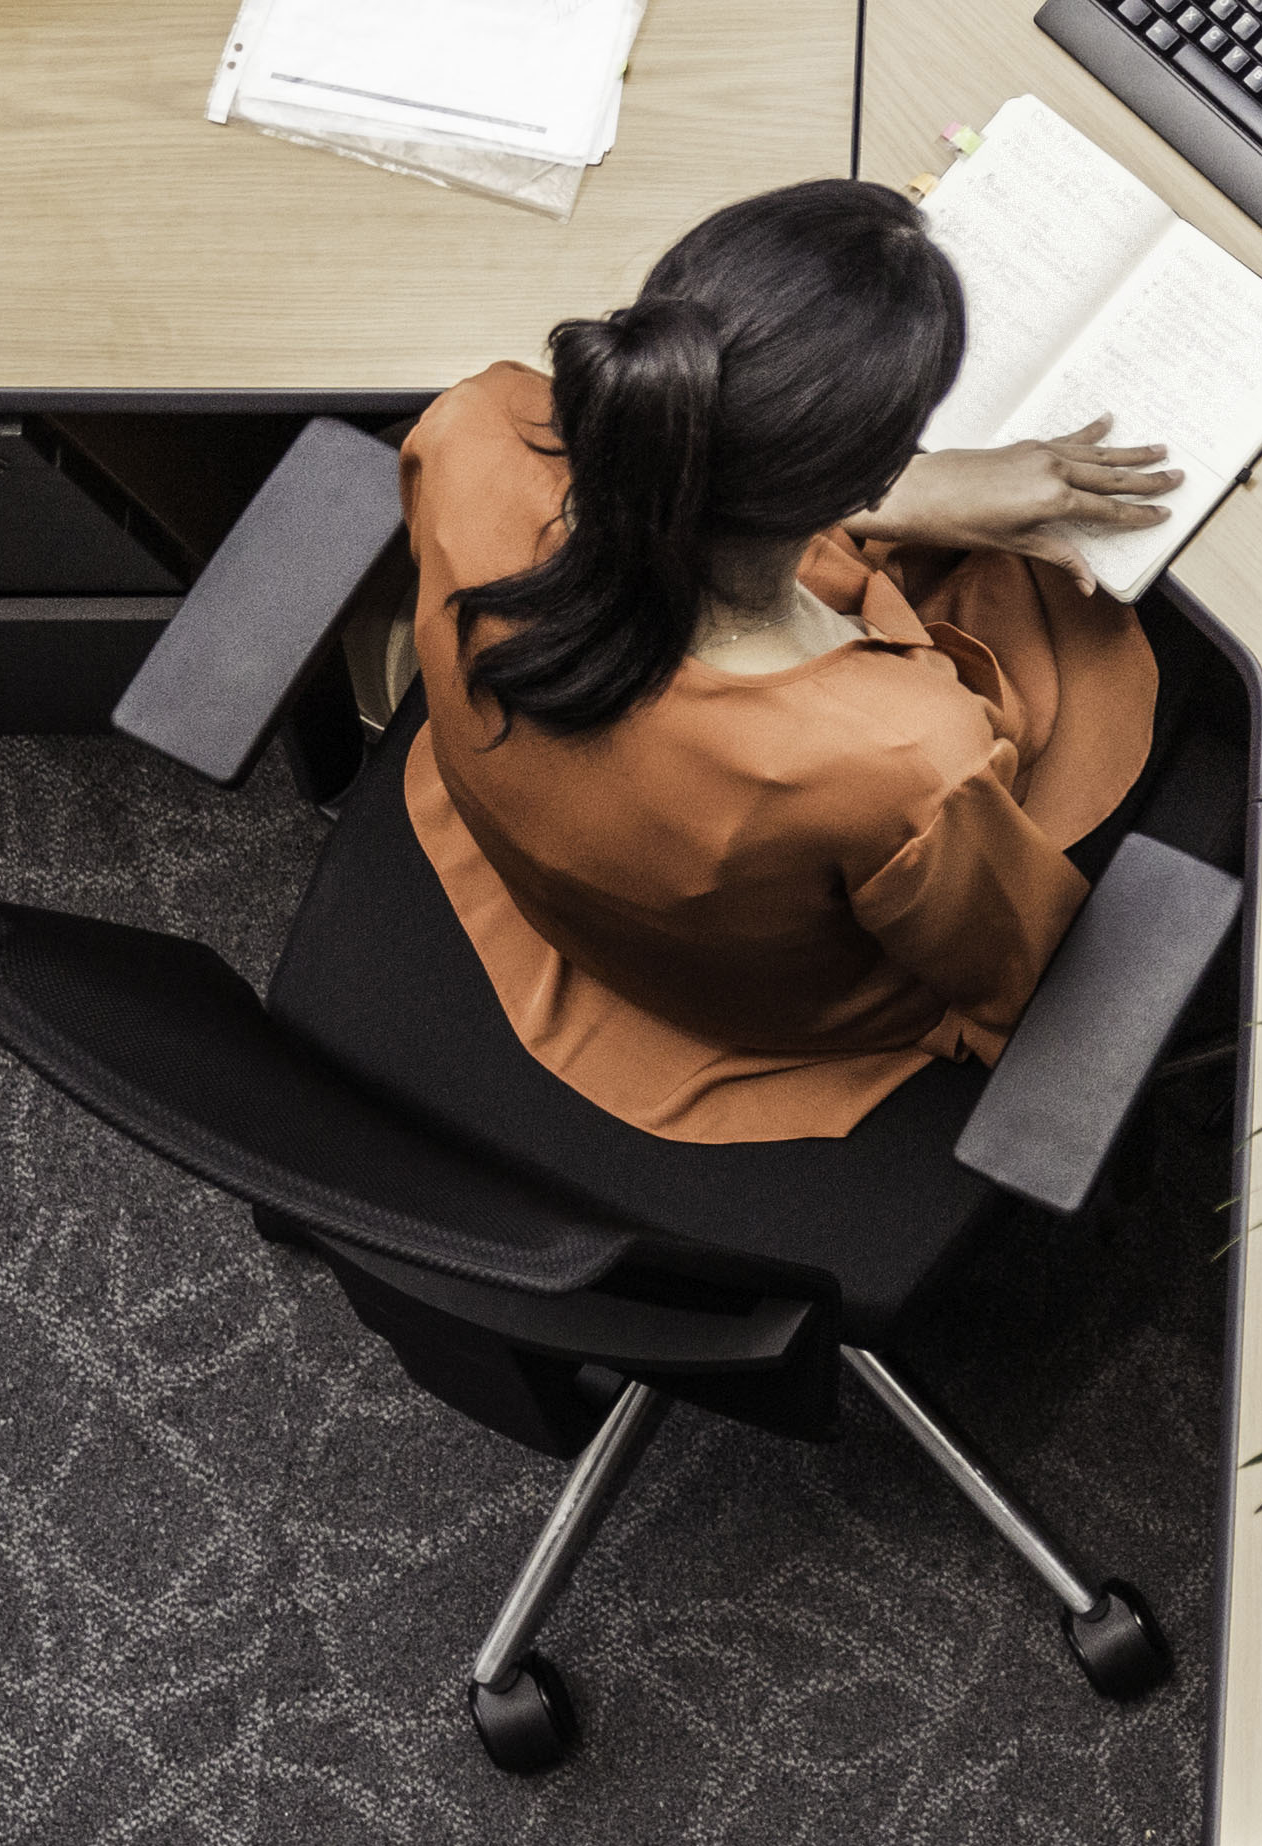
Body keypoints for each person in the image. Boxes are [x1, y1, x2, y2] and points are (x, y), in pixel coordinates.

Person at [393, 179, 1189, 1144]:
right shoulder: (899, 753)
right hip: (760, 1007)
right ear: (862, 474)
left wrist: (898, 497)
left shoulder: (472, 426)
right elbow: (1013, 964)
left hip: (526, 847)